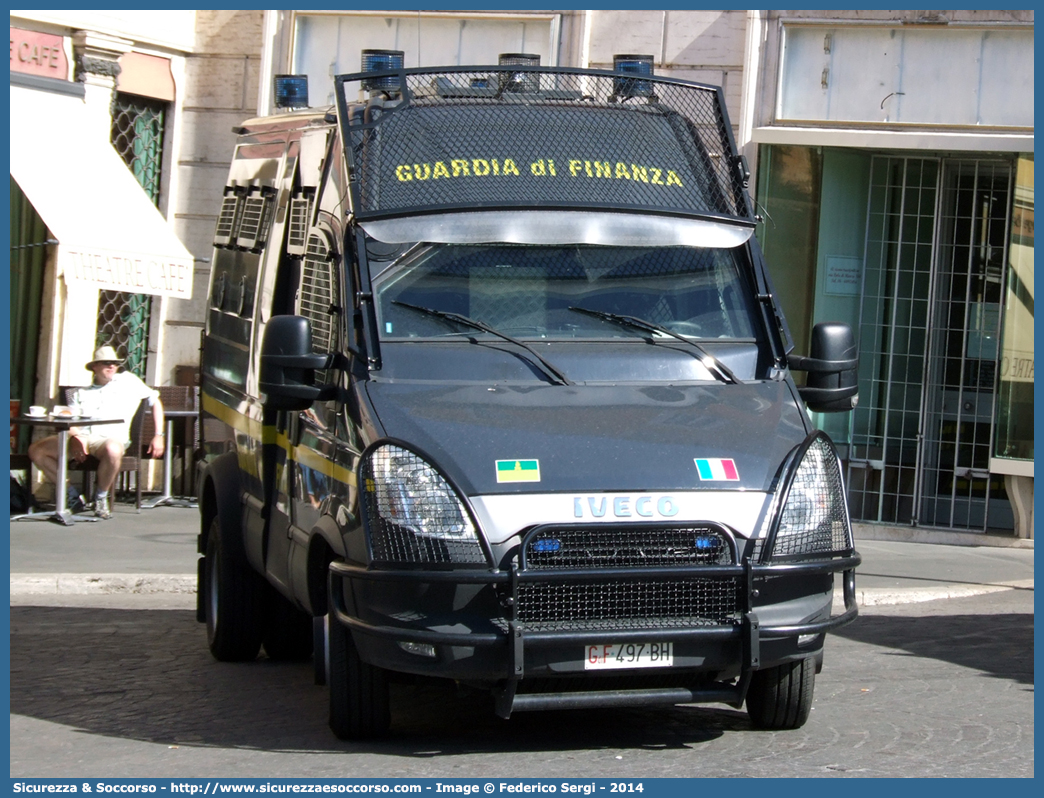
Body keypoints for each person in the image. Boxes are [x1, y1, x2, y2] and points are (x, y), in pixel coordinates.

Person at [27, 346, 165, 519]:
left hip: (110, 438)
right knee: (37, 450)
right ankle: (71, 494)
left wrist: (159, 435)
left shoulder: (129, 381)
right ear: (95, 367)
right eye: (106, 363)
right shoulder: (81, 393)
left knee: (113, 449)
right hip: (83, 437)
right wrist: (76, 436)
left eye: (115, 363)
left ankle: (100, 497)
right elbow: (71, 417)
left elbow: (156, 402)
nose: (112, 367)